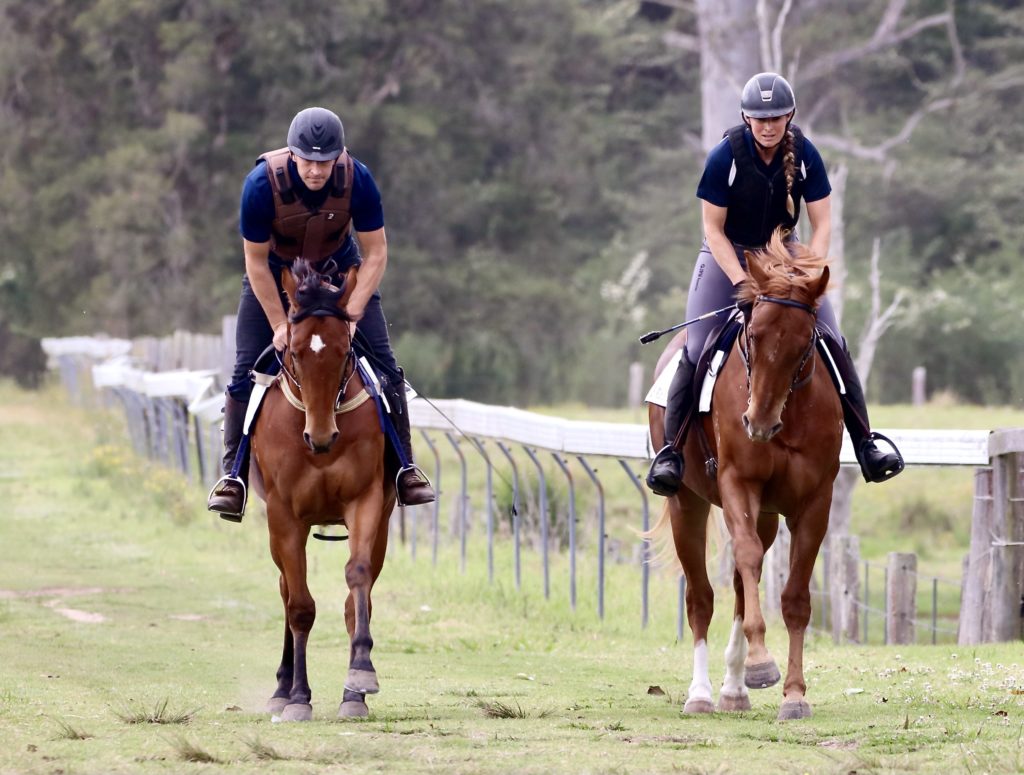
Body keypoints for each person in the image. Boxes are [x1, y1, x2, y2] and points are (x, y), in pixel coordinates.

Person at [646, 73, 903, 497]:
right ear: (747, 118)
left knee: (833, 340)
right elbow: (713, 230)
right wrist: (743, 281)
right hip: (727, 256)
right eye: (760, 119)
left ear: (790, 116)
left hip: (787, 256)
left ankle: (866, 442)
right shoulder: (724, 157)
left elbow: (822, 225)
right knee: (695, 348)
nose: (768, 126)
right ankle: (672, 452)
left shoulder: (805, 155)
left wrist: (807, 272)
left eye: (776, 118)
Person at [207, 106, 435, 520]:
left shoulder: (358, 180)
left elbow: (377, 252)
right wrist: (279, 323)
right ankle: (233, 477)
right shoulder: (260, 184)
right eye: (308, 161)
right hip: (274, 276)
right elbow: (255, 263)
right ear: (292, 155)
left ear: (339, 157)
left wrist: (353, 311)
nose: (316, 170)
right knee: (245, 372)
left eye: (324, 162)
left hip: (338, 271)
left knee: (385, 367)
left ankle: (405, 468)